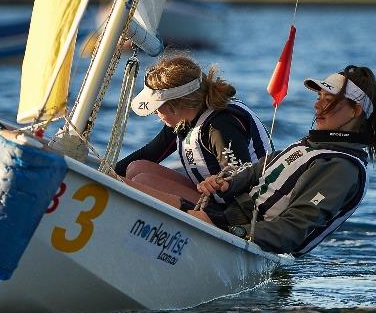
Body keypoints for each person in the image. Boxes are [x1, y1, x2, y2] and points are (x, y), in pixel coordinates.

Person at [188, 65, 376, 257]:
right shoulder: (312, 145)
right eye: (319, 97)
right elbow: (259, 170)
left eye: (328, 100)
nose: (317, 105)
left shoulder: (342, 168)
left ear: (355, 110)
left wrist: (225, 231)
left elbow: (294, 228)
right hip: (230, 216)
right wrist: (227, 184)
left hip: (254, 243)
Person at [116, 53, 273, 204]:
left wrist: (218, 182)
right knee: (135, 168)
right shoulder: (186, 117)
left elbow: (242, 178)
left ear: (175, 105)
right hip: (214, 198)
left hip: (239, 210)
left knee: (143, 182)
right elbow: (150, 153)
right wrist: (106, 172)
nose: (154, 113)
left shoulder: (219, 127)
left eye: (157, 107)